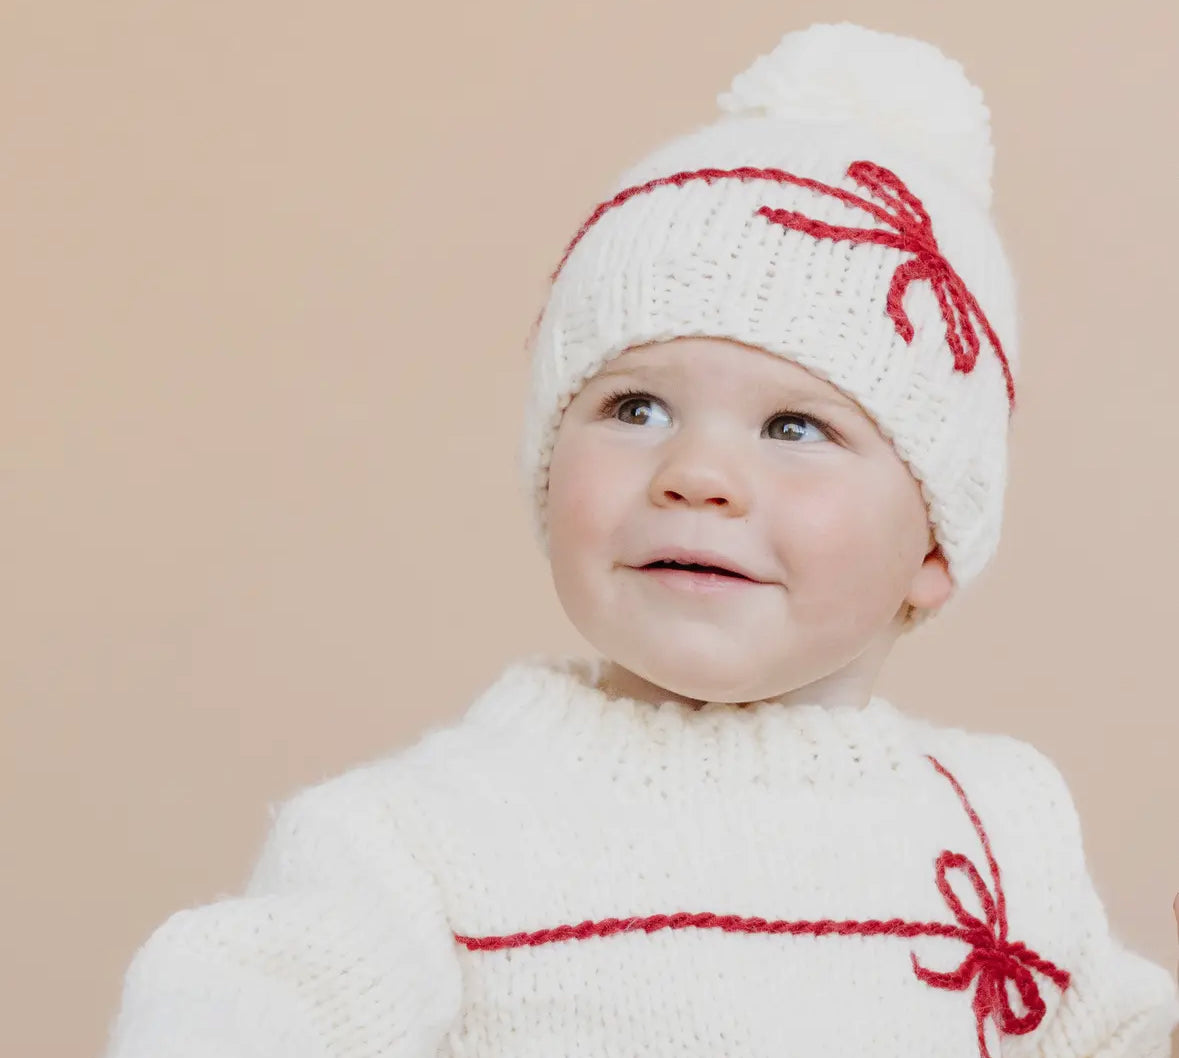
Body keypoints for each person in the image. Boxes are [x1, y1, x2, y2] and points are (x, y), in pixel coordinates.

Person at [101, 21, 1179, 1058]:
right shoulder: (417, 837)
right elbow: (250, 1007)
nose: (696, 474)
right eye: (634, 407)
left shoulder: (997, 823)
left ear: (938, 541)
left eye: (796, 426)